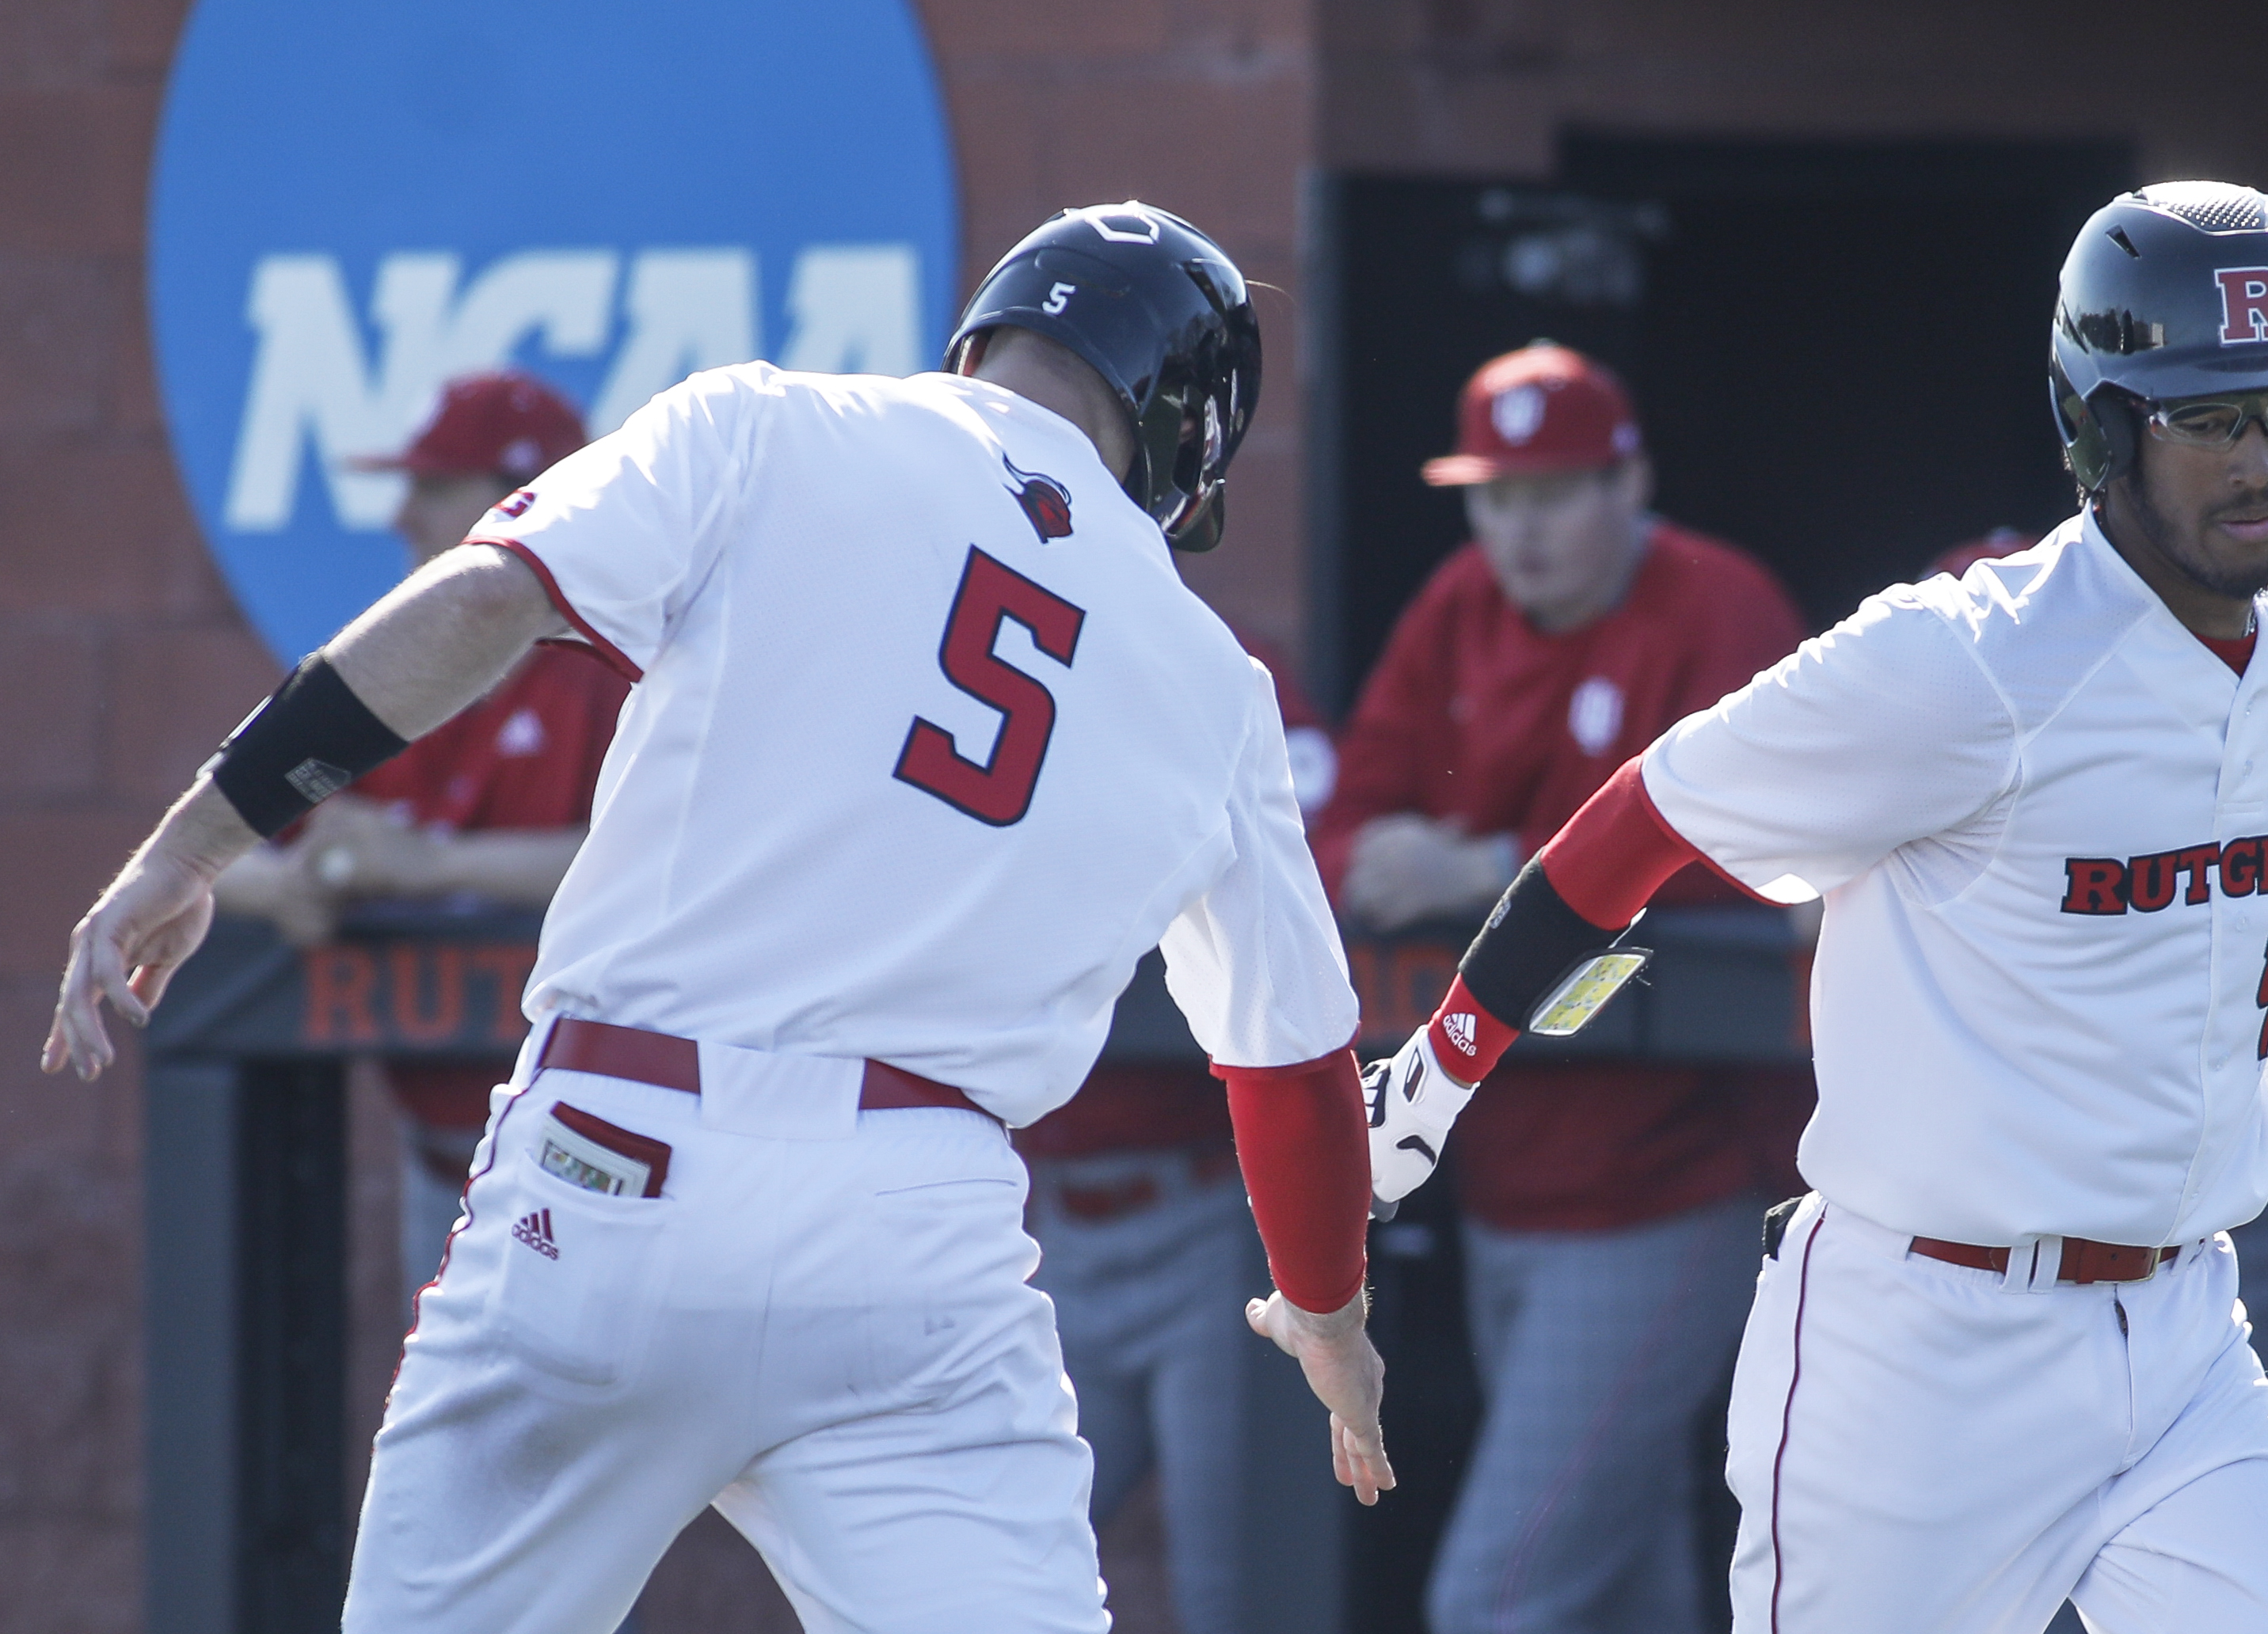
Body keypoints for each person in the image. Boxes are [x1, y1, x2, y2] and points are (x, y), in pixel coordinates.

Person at [45, 201, 1393, 1633]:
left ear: (990, 327)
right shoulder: (1212, 676)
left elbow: (489, 597)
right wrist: (1327, 1313)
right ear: (1182, 434)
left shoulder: (769, 420)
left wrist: (204, 831)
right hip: (916, 1224)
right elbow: (1293, 1073)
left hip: (615, 1153)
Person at [1364, 182, 2268, 1632]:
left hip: (2180, 1333)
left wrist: (2255, 1037)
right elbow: (1638, 820)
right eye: (2203, 419)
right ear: (2100, 427)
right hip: (1923, 1354)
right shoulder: (1960, 657)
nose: (2256, 462)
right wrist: (1434, 1074)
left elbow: (2137, 920)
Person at [1311, 341, 1811, 1634]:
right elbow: (1342, 825)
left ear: (1627, 480)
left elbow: (1778, 854)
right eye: (1496, 497)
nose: (1518, 532)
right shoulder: (1456, 610)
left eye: (1553, 494)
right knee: (1625, 1573)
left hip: (1668, 1185)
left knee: (1499, 1588)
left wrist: (1482, 869)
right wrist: (1380, 868)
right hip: (1505, 1186)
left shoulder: (1718, 603)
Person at [215, 370, 628, 1292]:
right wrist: (289, 886)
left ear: (531, 499)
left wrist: (427, 866)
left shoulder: (620, 666)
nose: (405, 516)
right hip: (447, 1160)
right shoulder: (385, 668)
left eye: (437, 488)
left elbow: (662, 868)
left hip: (622, 1171)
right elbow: (209, 855)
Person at [1016, 628, 1333, 1634]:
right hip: (1042, 1228)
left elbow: (1326, 847)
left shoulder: (1208, 659)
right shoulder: (986, 632)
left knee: (1229, 1588)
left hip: (1203, 1216)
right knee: (1004, 1558)